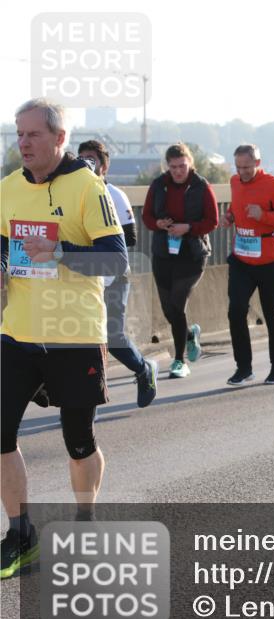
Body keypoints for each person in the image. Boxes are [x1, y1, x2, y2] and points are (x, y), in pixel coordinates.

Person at [1, 99, 128, 578]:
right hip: (17, 333)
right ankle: (20, 534)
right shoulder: (8, 188)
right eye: (18, 134)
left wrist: (59, 252)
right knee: (0, 435)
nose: (23, 143)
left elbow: (115, 262)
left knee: (78, 441)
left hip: (74, 335)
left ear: (58, 138)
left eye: (33, 134)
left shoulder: (87, 187)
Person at [77, 140, 158, 407]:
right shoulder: (73, 194)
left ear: (104, 164)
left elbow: (131, 238)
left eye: (92, 159)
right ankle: (86, 392)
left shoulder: (114, 194)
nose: (87, 164)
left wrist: (101, 238)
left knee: (112, 335)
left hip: (113, 277)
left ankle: (143, 369)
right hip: (83, 278)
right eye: (82, 159)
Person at [223, 144, 274, 385]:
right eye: (238, 167)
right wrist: (230, 216)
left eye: (247, 167)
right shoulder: (234, 182)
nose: (242, 172)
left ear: (257, 163)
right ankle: (244, 368)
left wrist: (264, 215)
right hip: (242, 259)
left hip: (270, 260)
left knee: (271, 314)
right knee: (236, 311)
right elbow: (237, 206)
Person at [141, 143, 218, 378]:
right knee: (167, 308)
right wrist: (159, 224)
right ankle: (189, 334)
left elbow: (212, 221)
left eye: (182, 166)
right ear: (168, 166)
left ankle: (179, 360)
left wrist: (189, 228)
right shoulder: (158, 185)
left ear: (190, 163)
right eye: (173, 167)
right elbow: (146, 217)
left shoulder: (201, 186)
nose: (178, 171)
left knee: (177, 302)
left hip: (192, 254)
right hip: (164, 253)